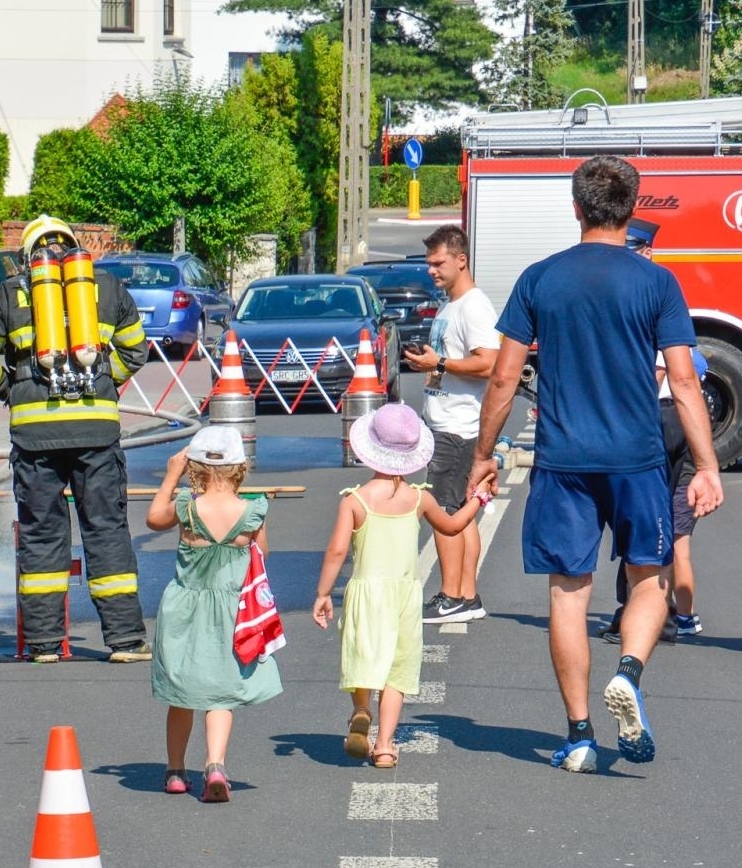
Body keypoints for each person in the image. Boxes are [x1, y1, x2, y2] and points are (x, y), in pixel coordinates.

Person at [467, 155, 723, 773]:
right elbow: (685, 384)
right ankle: (630, 672)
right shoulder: (656, 283)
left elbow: (504, 378)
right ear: (632, 210)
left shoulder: (539, 279)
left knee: (567, 597)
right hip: (636, 459)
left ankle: (579, 733)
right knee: (651, 579)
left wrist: (484, 456)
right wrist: (708, 465)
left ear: (576, 207)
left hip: (562, 461)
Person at [0, 214, 151, 664]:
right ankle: (125, 642)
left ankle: (45, 645)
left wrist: (13, 391)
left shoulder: (9, 294)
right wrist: (104, 382)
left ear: (28, 255)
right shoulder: (105, 289)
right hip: (96, 430)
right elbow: (136, 349)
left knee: (42, 534)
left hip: (35, 436)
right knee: (106, 530)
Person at [314, 404, 496, 768]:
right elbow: (452, 526)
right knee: (397, 670)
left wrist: (322, 594)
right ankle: (384, 745)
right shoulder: (419, 498)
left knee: (363, 658)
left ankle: (361, 709)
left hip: (366, 593)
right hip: (404, 596)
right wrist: (478, 498)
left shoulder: (355, 500)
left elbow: (336, 550)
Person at [145, 425, 281, 802]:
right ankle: (215, 765)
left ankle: (174, 771)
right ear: (240, 467)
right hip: (232, 609)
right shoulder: (253, 509)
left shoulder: (187, 506)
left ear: (195, 467)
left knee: (182, 691)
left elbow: (154, 518)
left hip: (185, 606)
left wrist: (171, 475)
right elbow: (262, 555)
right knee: (221, 692)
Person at [401, 224, 499, 624]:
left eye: (438, 263)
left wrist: (436, 363)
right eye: (429, 263)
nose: (431, 270)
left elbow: (488, 363)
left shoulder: (473, 306)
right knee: (460, 511)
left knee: (443, 513)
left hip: (458, 428)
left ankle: (451, 595)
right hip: (448, 422)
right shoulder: (450, 304)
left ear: (461, 260)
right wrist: (431, 363)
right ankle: (467, 596)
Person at [602, 348, 712, 642]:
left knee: (642, 524)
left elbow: (656, 374)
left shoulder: (657, 340)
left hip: (659, 422)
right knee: (675, 544)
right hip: (680, 435)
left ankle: (649, 615)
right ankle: (682, 616)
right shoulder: (689, 355)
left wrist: (629, 419)